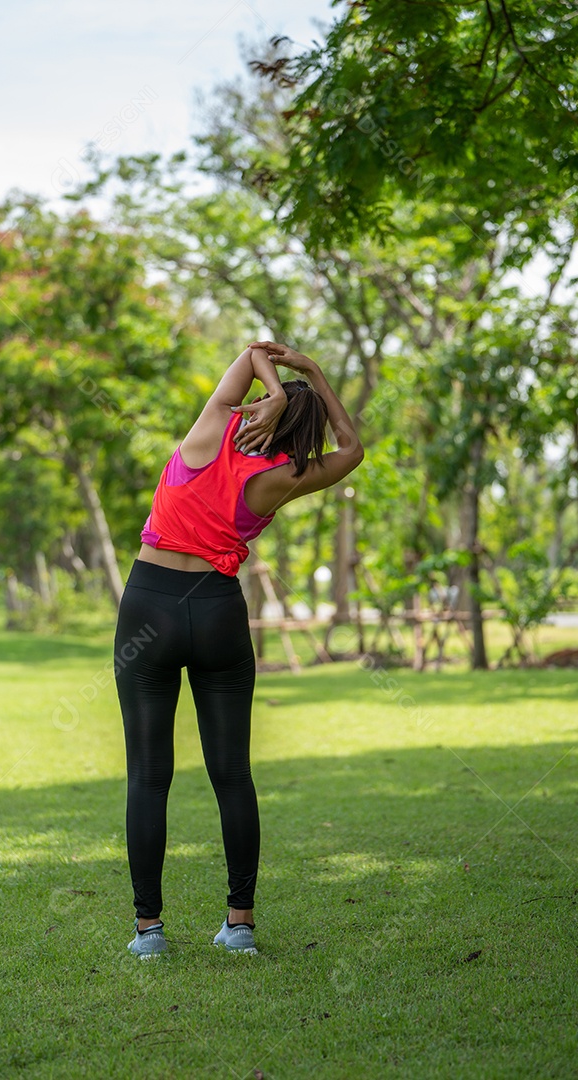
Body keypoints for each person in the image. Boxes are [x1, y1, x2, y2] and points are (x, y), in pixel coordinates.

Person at [114, 339, 365, 959]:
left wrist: (275, 383)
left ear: (260, 410)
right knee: (232, 775)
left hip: (149, 603)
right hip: (218, 612)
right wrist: (310, 375)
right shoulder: (284, 478)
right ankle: (240, 925)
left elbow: (253, 350)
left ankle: (149, 932)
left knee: (149, 775)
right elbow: (352, 449)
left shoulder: (210, 432)